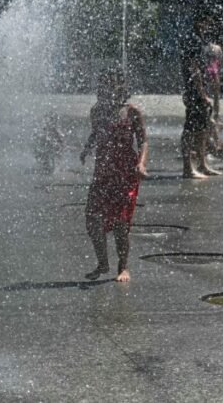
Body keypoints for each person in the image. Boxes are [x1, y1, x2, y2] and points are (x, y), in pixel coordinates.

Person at [80, 69, 148, 283]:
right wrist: (87, 147)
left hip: (125, 173)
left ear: (121, 88)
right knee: (92, 218)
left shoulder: (131, 111)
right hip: (102, 172)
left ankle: (123, 266)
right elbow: (96, 131)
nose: (107, 90)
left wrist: (141, 163)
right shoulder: (97, 111)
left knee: (120, 223)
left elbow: (143, 140)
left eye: (112, 85)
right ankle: (102, 263)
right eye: (104, 85)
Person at [180, 14, 219, 179]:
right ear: (198, 21)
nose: (208, 26)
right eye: (206, 22)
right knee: (190, 129)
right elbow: (193, 68)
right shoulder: (192, 40)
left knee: (202, 129)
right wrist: (202, 93)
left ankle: (202, 165)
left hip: (199, 91)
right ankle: (188, 168)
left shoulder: (199, 40)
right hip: (195, 92)